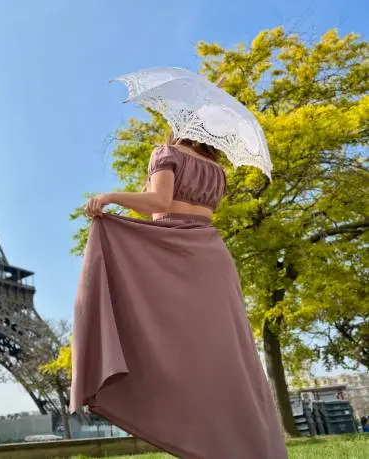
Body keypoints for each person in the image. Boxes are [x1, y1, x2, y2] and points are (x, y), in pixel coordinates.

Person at [70, 135, 288, 459]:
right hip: (212, 258)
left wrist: (109, 197)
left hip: (170, 255)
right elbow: (195, 211)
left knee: (164, 349)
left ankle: (193, 438)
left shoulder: (166, 152)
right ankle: (248, 446)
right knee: (226, 358)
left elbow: (160, 203)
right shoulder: (217, 169)